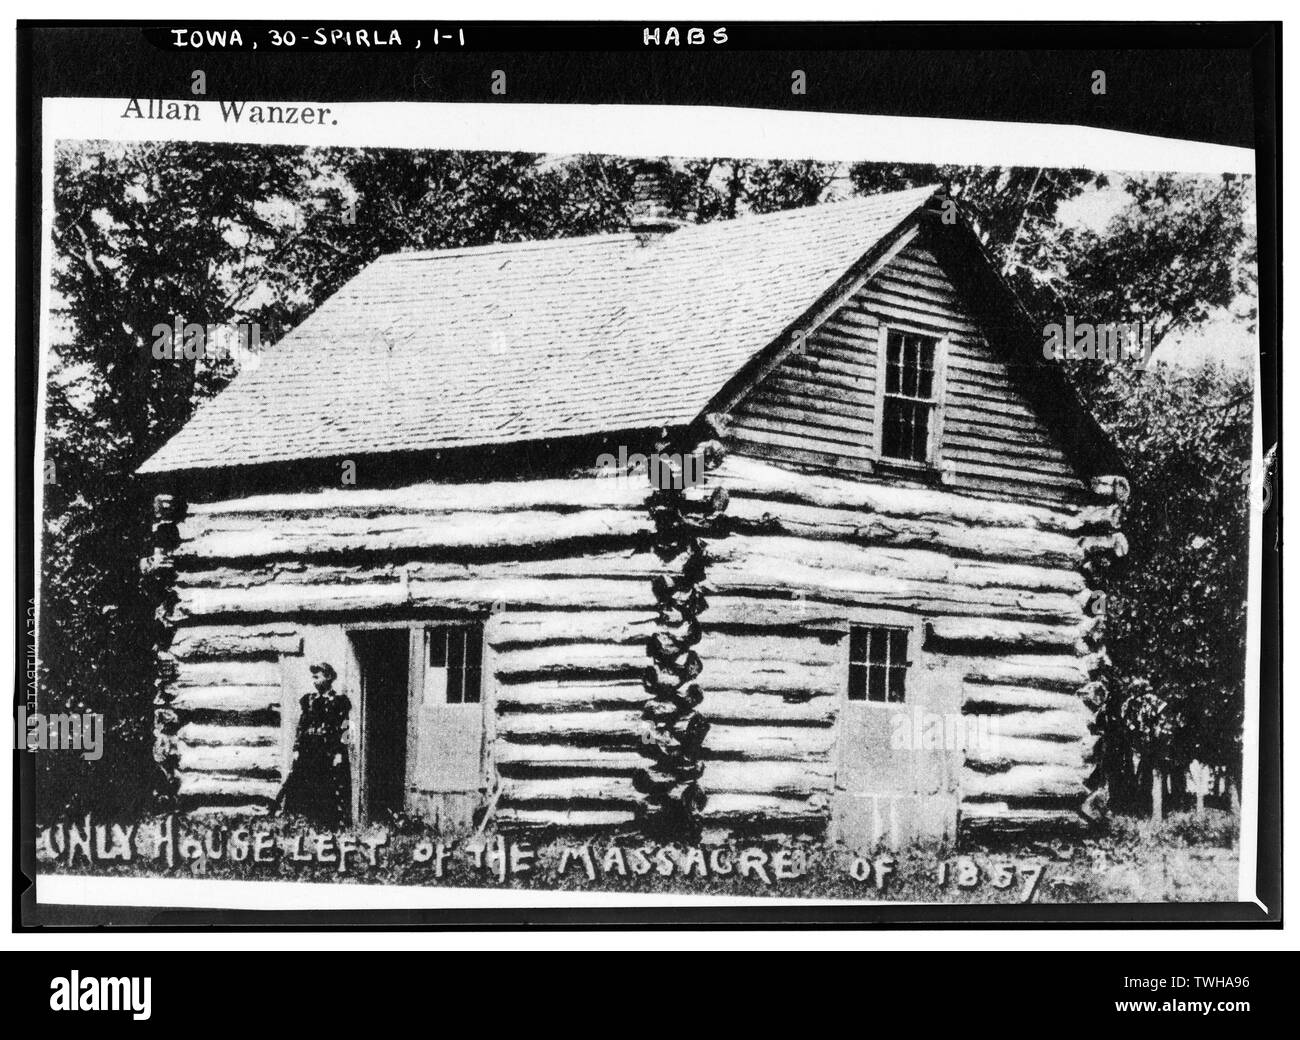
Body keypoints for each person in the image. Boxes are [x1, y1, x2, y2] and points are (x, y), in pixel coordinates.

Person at [275, 661, 352, 828]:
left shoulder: (339, 702)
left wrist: (339, 753)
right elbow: (301, 727)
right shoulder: (309, 700)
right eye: (313, 677)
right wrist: (296, 748)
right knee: (301, 785)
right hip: (308, 751)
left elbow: (345, 729)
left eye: (317, 676)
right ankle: (300, 823)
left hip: (328, 752)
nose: (314, 680)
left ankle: (328, 825)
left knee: (326, 788)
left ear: (329, 677)